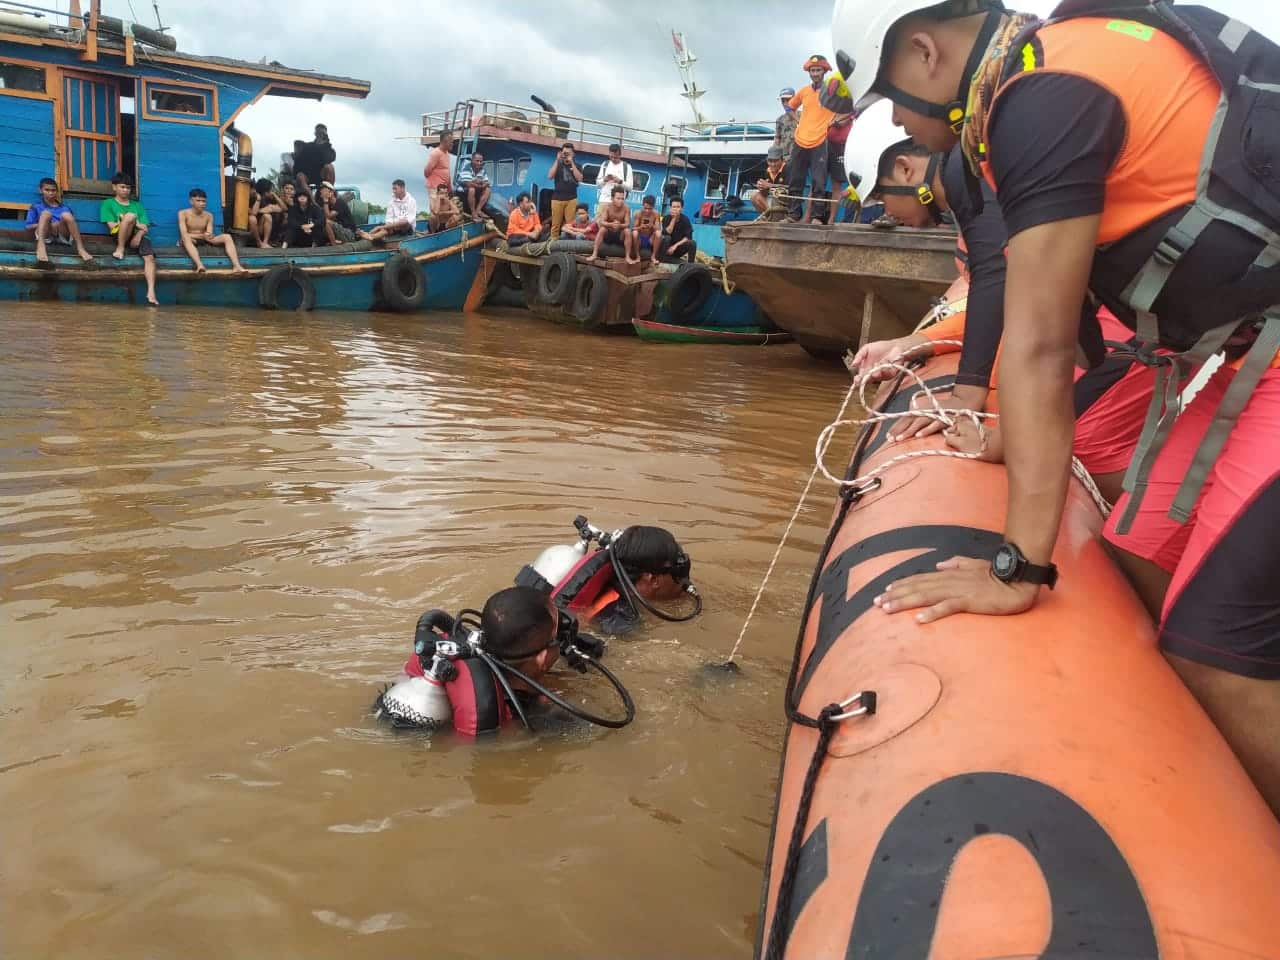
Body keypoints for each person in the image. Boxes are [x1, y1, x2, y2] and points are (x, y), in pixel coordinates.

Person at [835, 0, 1280, 813]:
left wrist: (1019, 567)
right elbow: (1056, 327)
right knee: (1138, 543)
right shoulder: (1041, 80)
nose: (898, 119)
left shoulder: (1042, 99)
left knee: (1214, 648)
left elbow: (1039, 345)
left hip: (1264, 355)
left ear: (926, 51)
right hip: (1252, 350)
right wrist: (999, 432)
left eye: (890, 99)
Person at [785, 55, 838, 222]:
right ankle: (793, 214)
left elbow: (846, 105)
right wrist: (799, 120)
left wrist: (834, 120)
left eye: (818, 70)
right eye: (812, 70)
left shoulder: (831, 91)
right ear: (809, 72)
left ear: (824, 71)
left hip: (821, 140)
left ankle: (816, 216)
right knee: (795, 179)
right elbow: (790, 107)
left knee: (819, 181)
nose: (815, 73)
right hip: (800, 139)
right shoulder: (804, 91)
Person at [99, 173, 157, 305]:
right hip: (119, 234)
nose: (126, 190)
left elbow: (145, 226)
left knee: (150, 258)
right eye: (122, 187)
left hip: (138, 236)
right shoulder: (108, 204)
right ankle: (120, 248)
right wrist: (133, 223)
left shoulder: (137, 205)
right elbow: (112, 226)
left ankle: (151, 291)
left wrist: (138, 235)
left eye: (128, 188)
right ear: (114, 187)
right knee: (130, 216)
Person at [178, 188, 247, 274]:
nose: (202, 204)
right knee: (185, 237)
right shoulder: (183, 213)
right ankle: (200, 265)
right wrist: (202, 235)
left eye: (204, 201)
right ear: (191, 201)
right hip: (190, 239)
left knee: (227, 236)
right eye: (198, 201)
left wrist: (208, 235)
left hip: (204, 239)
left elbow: (209, 233)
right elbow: (184, 233)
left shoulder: (209, 215)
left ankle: (237, 266)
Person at [26, 177, 93, 263]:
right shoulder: (36, 207)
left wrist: (57, 225)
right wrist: (49, 225)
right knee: (46, 213)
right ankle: (41, 247)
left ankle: (80, 248)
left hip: (62, 236)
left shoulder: (65, 208)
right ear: (40, 190)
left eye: (53, 190)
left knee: (66, 215)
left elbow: (71, 226)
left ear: (57, 192)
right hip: (45, 236)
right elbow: (28, 227)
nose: (50, 193)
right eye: (47, 190)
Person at [548, 141, 583, 239]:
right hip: (557, 198)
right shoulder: (558, 164)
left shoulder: (577, 165)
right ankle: (552, 245)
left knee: (570, 225)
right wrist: (557, 160)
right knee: (555, 225)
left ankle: (569, 246)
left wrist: (571, 162)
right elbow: (550, 176)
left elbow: (579, 178)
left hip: (571, 199)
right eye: (564, 152)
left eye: (568, 153)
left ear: (573, 154)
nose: (566, 154)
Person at [590, 185, 632, 261]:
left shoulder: (626, 208)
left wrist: (620, 225)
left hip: (620, 236)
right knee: (602, 229)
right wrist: (611, 224)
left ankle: (628, 256)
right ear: (612, 198)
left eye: (622, 199)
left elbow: (627, 224)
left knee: (627, 231)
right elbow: (602, 221)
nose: (621, 201)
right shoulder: (607, 207)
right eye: (618, 198)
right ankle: (594, 254)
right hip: (608, 234)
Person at [293, 123, 336, 194]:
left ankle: (329, 194)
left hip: (320, 175)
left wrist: (324, 145)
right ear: (315, 133)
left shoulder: (329, 149)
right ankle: (312, 200)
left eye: (322, 133)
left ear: (325, 135)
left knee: (330, 167)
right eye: (318, 133)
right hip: (307, 175)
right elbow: (298, 162)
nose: (320, 135)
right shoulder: (308, 146)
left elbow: (330, 159)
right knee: (300, 175)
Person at [752, 147, 790, 221]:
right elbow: (766, 193)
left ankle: (776, 217)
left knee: (774, 200)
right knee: (754, 196)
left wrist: (770, 185)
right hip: (773, 201)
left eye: (775, 161)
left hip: (787, 205)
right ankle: (770, 217)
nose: (772, 164)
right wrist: (762, 188)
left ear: (782, 160)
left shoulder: (788, 169)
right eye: (770, 161)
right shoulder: (768, 171)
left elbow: (792, 188)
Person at [247, 178, 287, 249]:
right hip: (252, 230)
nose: (272, 192)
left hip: (262, 228)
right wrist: (261, 208)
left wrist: (275, 196)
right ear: (265, 191)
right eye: (271, 190)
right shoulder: (253, 198)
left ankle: (265, 243)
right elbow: (253, 213)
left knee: (267, 216)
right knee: (253, 218)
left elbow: (284, 208)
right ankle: (259, 243)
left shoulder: (270, 199)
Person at [656, 197, 695, 264]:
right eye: (674, 207)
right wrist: (674, 218)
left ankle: (691, 265)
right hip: (666, 249)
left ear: (681, 209)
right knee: (667, 238)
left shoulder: (685, 220)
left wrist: (675, 246)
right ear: (670, 208)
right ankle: (662, 258)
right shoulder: (666, 218)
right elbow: (668, 232)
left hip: (676, 249)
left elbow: (688, 237)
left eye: (678, 207)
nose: (675, 209)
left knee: (692, 243)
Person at [455, 151, 491, 221]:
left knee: (488, 190)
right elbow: (469, 184)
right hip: (462, 192)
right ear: (472, 160)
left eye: (480, 161)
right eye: (477, 161)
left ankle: (478, 210)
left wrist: (480, 183)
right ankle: (473, 213)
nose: (479, 163)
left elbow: (486, 183)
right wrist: (479, 183)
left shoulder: (482, 170)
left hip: (476, 189)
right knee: (472, 189)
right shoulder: (466, 168)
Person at [595, 143, 632, 210]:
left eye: (615, 157)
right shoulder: (605, 164)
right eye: (611, 157)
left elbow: (630, 188)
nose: (613, 159)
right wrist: (605, 179)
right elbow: (598, 184)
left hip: (619, 203)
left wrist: (619, 181)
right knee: (600, 220)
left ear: (620, 155)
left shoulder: (627, 167)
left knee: (617, 221)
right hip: (604, 201)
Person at [629, 194, 660, 265]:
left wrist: (652, 225)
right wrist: (640, 227)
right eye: (645, 208)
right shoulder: (638, 214)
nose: (647, 211)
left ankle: (653, 256)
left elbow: (658, 229)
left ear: (653, 207)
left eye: (650, 209)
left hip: (650, 239)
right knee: (635, 233)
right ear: (642, 205)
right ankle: (637, 256)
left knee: (658, 233)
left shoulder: (656, 214)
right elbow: (633, 228)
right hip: (640, 239)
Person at [423, 130, 454, 199]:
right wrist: (435, 182)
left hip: (444, 188)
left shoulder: (447, 154)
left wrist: (449, 188)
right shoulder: (436, 153)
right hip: (435, 187)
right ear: (444, 141)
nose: (452, 144)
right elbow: (426, 171)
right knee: (435, 208)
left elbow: (447, 171)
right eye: (451, 142)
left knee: (443, 209)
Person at [774, 87, 799, 165]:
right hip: (784, 159)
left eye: (788, 100)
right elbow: (777, 138)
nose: (785, 103)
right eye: (783, 101)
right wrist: (775, 155)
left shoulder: (803, 116)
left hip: (800, 158)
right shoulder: (779, 120)